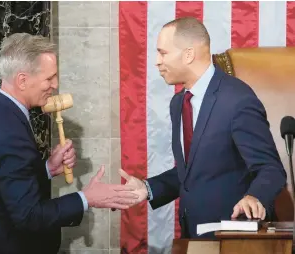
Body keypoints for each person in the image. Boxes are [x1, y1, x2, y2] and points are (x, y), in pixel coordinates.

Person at [0, 33, 139, 254]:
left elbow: (5, 181)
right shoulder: (8, 131)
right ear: (22, 80)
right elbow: (29, 216)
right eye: (50, 78)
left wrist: (47, 168)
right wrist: (87, 198)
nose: (55, 85)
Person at [119, 17, 287, 239]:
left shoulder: (237, 99)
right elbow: (192, 173)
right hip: (192, 235)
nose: (157, 61)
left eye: (163, 53)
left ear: (188, 54)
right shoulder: (178, 103)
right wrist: (147, 189)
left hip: (233, 238)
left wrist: (255, 197)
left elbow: (271, 169)